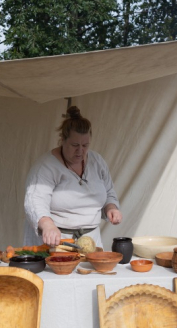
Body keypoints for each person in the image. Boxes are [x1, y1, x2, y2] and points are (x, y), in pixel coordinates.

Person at [24, 106, 122, 249]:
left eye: (85, 145)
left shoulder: (97, 162)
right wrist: (47, 224)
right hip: (57, 243)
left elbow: (108, 192)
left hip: (91, 243)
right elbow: (35, 200)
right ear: (63, 139)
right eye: (75, 145)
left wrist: (111, 208)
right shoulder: (46, 167)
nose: (80, 151)